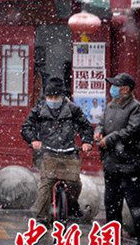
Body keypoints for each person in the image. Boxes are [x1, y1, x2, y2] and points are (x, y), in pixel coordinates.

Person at [20, 77, 93, 225]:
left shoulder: (73, 109)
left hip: (69, 152)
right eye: (49, 97)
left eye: (56, 97)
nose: (53, 100)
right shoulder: (39, 109)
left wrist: (86, 142)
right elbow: (26, 127)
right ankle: (41, 219)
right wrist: (33, 140)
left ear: (62, 96)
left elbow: (86, 127)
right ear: (45, 96)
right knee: (46, 185)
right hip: (46, 153)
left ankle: (72, 206)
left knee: (75, 184)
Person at [95, 73, 140, 245]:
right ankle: (112, 237)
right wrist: (99, 131)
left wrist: (109, 140)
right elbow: (101, 122)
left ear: (126, 89)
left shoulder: (136, 109)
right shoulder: (110, 105)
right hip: (111, 163)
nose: (113, 89)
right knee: (111, 203)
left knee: (135, 205)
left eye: (116, 86)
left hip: (129, 165)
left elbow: (131, 131)